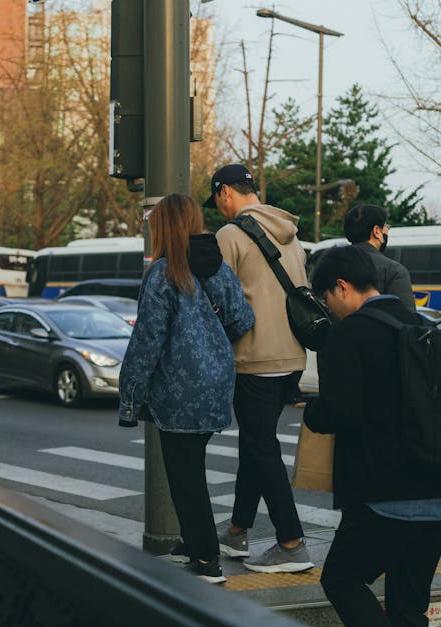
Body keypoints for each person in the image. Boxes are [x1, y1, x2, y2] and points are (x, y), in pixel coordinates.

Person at [304, 245, 441, 626]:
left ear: (342, 287)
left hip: (387, 495)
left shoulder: (350, 333)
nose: (330, 308)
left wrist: (313, 411)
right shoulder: (425, 327)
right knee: (408, 607)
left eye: (327, 298)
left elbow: (341, 412)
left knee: (342, 579)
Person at [119, 193, 254, 584]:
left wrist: (130, 399)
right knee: (191, 470)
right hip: (217, 384)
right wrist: (212, 341)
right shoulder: (219, 268)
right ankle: (192, 542)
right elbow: (243, 319)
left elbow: (147, 342)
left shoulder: (163, 273)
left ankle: (206, 558)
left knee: (186, 479)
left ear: (163, 227)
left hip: (178, 391)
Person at [204, 163, 313, 573]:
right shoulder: (289, 232)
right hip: (292, 356)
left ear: (225, 192)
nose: (218, 207)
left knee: (262, 447)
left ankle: (291, 543)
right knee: (256, 443)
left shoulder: (230, 235)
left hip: (254, 357)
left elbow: (220, 300)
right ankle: (236, 530)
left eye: (217, 199)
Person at [343, 204, 416, 311]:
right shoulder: (393, 271)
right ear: (376, 231)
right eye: (385, 226)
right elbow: (406, 317)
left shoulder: (331, 265)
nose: (387, 230)